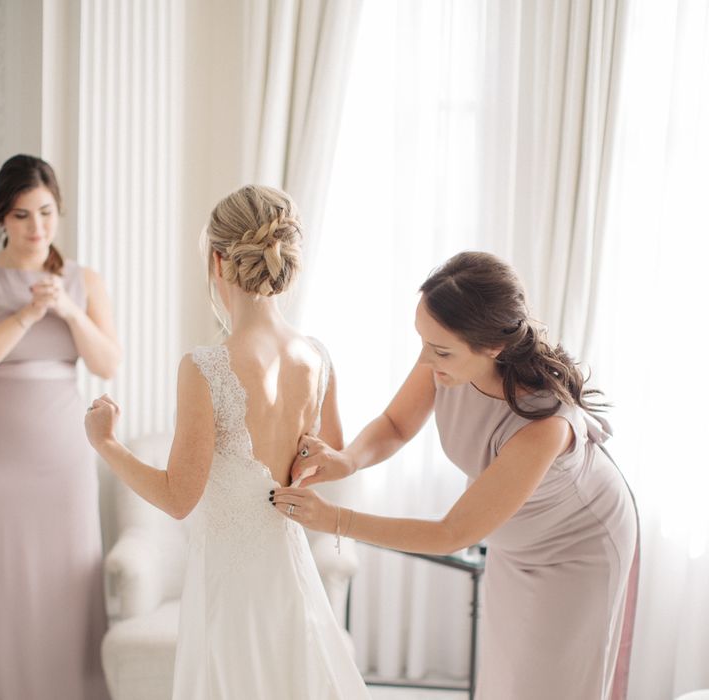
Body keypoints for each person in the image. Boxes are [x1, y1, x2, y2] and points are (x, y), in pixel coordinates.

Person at [272, 251, 639, 700]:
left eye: (440, 349)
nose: (426, 358)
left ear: (494, 347)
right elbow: (396, 424)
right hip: (515, 538)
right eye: (423, 341)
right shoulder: (447, 360)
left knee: (551, 683)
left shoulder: (545, 427)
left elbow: (452, 533)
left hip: (577, 546)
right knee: (506, 680)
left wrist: (336, 521)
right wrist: (347, 460)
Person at [84, 184, 370, 699]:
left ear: (218, 262)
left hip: (230, 588)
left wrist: (107, 444)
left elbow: (177, 497)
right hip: (290, 576)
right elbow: (333, 457)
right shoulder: (317, 357)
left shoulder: (207, 366)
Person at [0, 154, 120, 700]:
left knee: (65, 587)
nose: (37, 228)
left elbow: (107, 364)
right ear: (2, 217)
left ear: (58, 211)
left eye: (45, 213)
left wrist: (67, 310)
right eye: (22, 216)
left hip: (62, 461)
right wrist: (24, 314)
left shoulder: (83, 280)